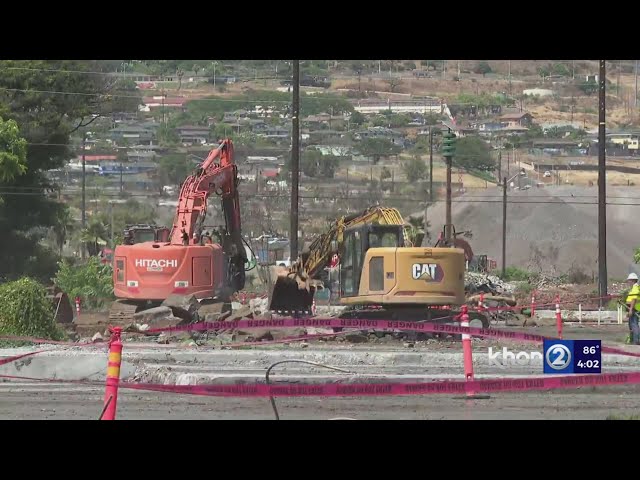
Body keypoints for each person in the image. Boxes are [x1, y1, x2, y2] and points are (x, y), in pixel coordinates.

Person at [625, 273, 640, 345]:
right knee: (631, 325)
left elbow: (634, 299)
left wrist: (631, 310)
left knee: (634, 325)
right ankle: (632, 340)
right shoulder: (634, 288)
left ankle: (636, 341)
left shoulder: (635, 288)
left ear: (632, 280)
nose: (628, 282)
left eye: (629, 281)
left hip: (634, 309)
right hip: (633, 308)